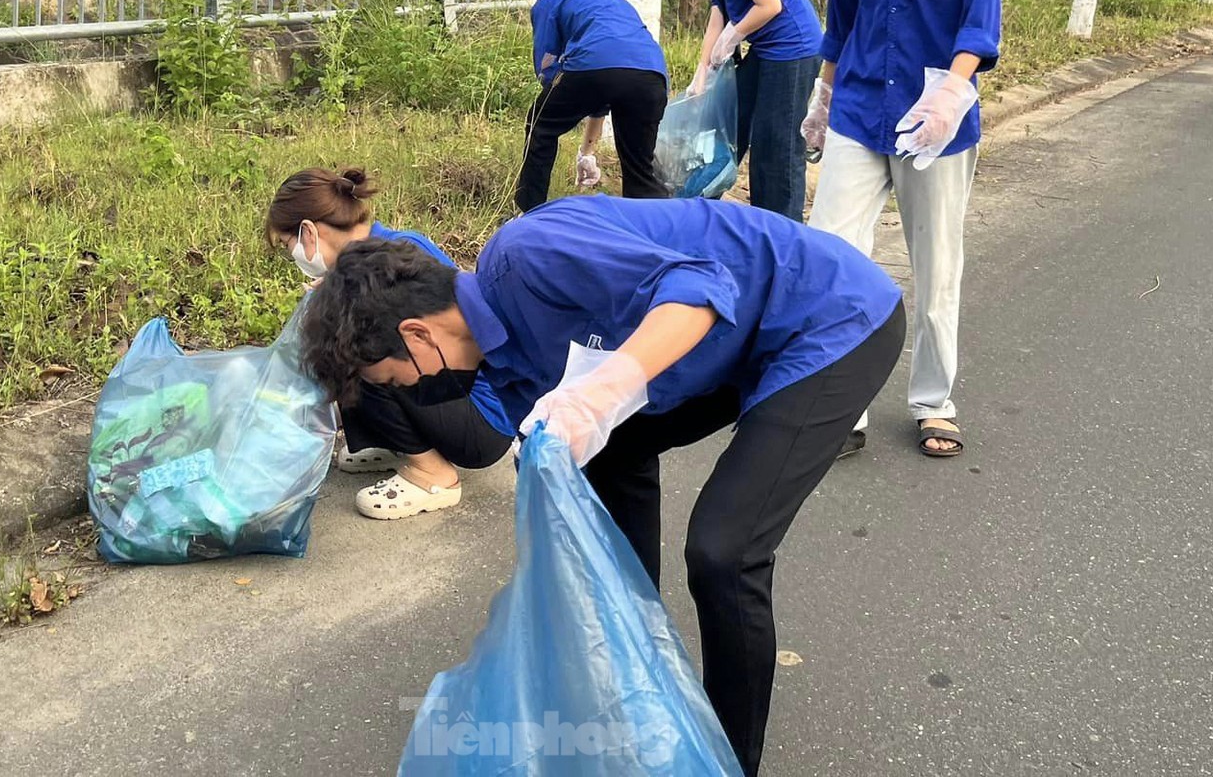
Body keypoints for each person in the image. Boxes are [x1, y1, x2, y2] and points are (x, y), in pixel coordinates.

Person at [299, 196, 907, 776]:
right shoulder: (498, 356)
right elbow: (500, 443)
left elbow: (701, 287)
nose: (408, 391)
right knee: (604, 459)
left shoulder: (530, 255)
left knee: (724, 552)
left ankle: (725, 759)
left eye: (395, 378)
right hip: (730, 345)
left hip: (825, 316)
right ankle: (635, 656)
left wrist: (606, 388)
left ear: (419, 334)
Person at [800, 0, 1002, 459]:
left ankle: (934, 401)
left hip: (934, 119)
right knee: (832, 256)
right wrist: (823, 95)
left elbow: (980, 19)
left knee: (935, 263)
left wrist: (954, 91)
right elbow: (842, 16)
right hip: (858, 107)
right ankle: (840, 407)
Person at [265, 167, 510, 519]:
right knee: (341, 338)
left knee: (354, 351)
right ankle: (394, 441)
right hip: (456, 400)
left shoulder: (398, 258)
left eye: (290, 246)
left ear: (308, 232)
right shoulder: (368, 261)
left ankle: (433, 474)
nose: (294, 257)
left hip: (482, 420)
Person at [663, 0, 825, 220]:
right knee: (732, 125)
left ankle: (781, 230)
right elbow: (716, 17)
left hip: (793, 48)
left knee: (776, 144)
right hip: (767, 50)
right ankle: (700, 209)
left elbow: (769, 4)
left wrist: (734, 35)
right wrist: (702, 70)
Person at [515, 0, 671, 213]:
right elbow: (605, 86)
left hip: (595, 67)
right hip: (651, 75)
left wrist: (555, 93)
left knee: (540, 124)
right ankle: (654, 233)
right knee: (639, 168)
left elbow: (547, 65)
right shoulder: (608, 0)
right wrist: (586, 153)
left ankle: (529, 212)